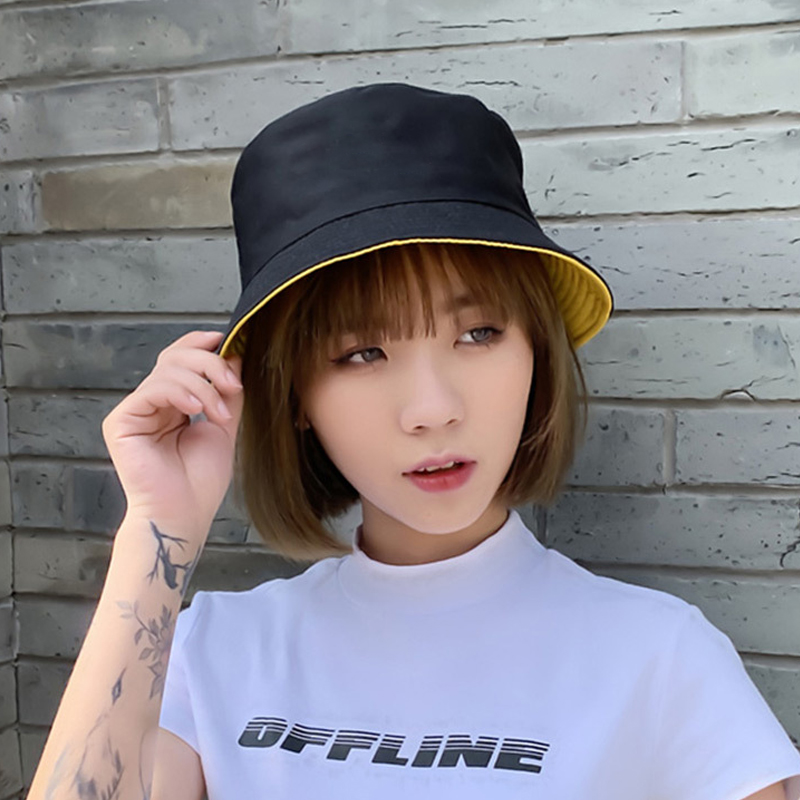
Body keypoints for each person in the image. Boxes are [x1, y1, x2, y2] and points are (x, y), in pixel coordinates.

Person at [28, 83, 800, 800]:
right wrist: (157, 533)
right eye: (363, 352)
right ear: (294, 396)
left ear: (536, 352)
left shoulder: (660, 658)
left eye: (479, 333)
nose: (432, 411)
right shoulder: (215, 650)